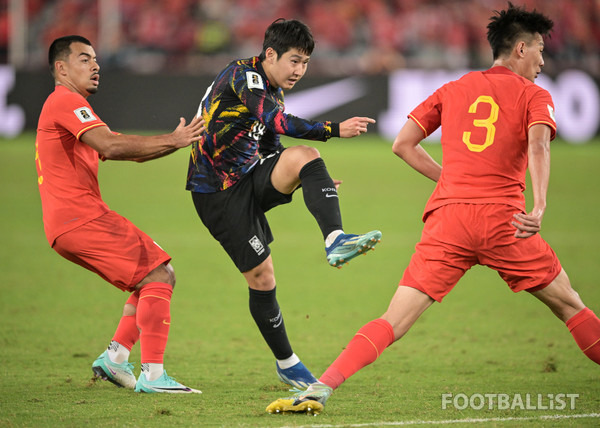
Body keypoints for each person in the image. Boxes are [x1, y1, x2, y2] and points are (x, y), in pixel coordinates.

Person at [266, 3, 600, 414]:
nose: (543, 61)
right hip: (505, 223)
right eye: (540, 50)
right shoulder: (534, 94)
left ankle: (323, 385)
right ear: (519, 49)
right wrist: (542, 203)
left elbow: (401, 144)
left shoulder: (454, 88)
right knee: (570, 305)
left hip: (449, 221)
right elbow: (538, 144)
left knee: (394, 320)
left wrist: (452, 182)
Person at [186, 19, 381, 389]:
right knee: (262, 278)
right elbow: (277, 122)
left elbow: (270, 142)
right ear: (270, 54)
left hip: (248, 177)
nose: (299, 71)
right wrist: (333, 129)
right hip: (217, 191)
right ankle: (287, 362)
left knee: (304, 157)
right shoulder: (245, 78)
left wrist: (306, 175)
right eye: (294, 61)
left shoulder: (271, 86)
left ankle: (336, 239)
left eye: (305, 63)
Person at [35, 35, 204, 394]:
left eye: (95, 59)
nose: (95, 66)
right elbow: (110, 145)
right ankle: (154, 376)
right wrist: (174, 140)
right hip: (79, 218)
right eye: (84, 59)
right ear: (61, 68)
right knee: (159, 273)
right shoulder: (64, 101)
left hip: (67, 224)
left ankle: (114, 359)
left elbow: (128, 151)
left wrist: (178, 140)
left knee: (152, 277)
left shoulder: (73, 108)